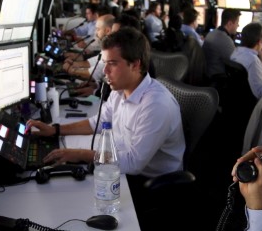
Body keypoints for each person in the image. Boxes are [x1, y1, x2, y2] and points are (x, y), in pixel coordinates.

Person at [28, 27, 185, 178]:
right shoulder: (119, 90)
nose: (105, 71)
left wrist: (79, 155)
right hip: (121, 163)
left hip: (147, 182)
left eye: (112, 64)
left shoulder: (156, 105)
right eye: (105, 63)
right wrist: (55, 130)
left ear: (135, 65)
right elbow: (97, 122)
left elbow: (133, 163)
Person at [63, 14, 115, 82]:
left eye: (98, 29)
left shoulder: (114, 48)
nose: (95, 33)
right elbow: (96, 60)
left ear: (107, 31)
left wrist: (72, 70)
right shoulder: (108, 45)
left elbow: (97, 72)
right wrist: (75, 64)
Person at [230, 22, 262, 99]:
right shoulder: (253, 61)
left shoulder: (236, 52)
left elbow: (253, 75)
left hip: (236, 97)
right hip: (251, 104)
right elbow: (261, 92)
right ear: (260, 42)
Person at [203, 8, 241, 78]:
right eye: (237, 23)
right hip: (217, 79)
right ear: (230, 23)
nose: (238, 26)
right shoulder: (224, 39)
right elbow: (237, 63)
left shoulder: (212, 33)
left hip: (208, 74)